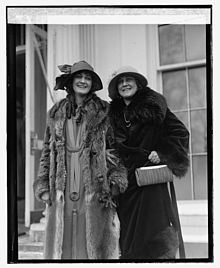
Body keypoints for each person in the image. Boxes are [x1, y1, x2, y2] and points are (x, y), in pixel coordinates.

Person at [33, 61, 128, 260]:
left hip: (94, 187)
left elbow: (116, 149)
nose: (83, 81)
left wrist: (114, 182)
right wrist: (42, 186)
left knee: (92, 245)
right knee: (63, 243)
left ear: (92, 84)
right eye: (79, 77)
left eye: (87, 78)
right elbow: (47, 154)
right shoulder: (56, 113)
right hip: (62, 186)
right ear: (71, 81)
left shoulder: (105, 112)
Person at [108, 66, 190, 259]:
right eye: (120, 81)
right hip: (127, 185)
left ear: (138, 83)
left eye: (129, 80)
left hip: (150, 181)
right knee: (129, 237)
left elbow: (181, 133)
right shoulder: (113, 114)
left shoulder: (154, 106)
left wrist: (162, 153)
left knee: (154, 232)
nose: (125, 84)